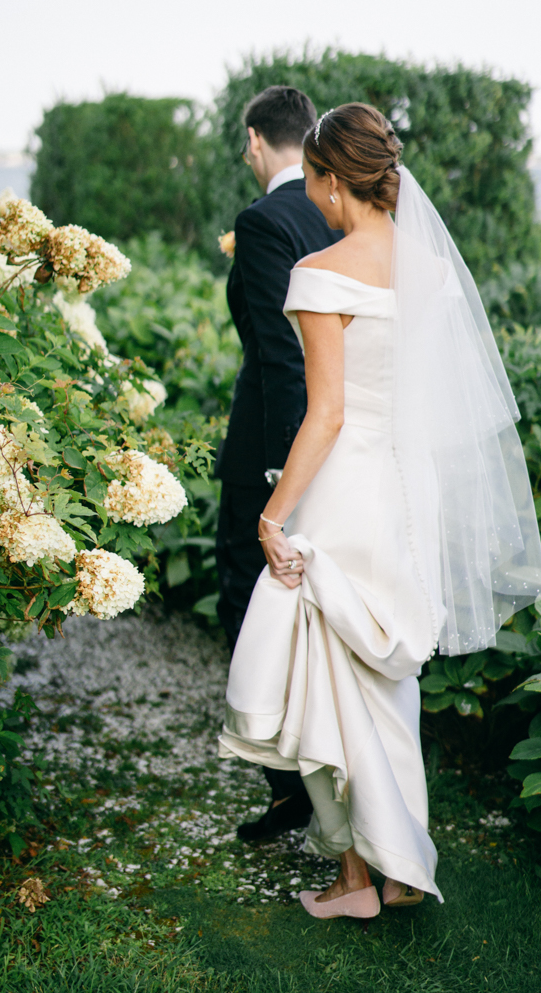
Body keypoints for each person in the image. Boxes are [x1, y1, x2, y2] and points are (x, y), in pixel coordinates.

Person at [219, 103, 541, 918]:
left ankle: (361, 875)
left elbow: (325, 415)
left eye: (320, 186)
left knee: (333, 677)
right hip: (410, 491)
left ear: (331, 180)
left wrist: (272, 516)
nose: (317, 201)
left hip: (347, 486)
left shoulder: (320, 272)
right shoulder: (430, 269)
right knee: (388, 681)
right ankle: (388, 871)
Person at [215, 85, 341, 842]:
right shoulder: (342, 213)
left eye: (245, 143)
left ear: (259, 140)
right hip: (343, 443)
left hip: (276, 451)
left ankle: (289, 783)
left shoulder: (263, 222)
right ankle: (320, 775)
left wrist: (280, 478)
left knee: (247, 600)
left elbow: (277, 358)